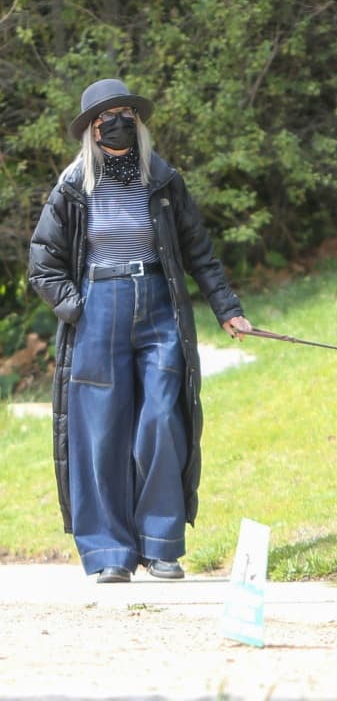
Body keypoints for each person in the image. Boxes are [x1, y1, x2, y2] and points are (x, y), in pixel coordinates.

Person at [28, 78, 252, 583]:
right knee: (100, 433)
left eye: (127, 111)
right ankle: (109, 554)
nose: (118, 120)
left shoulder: (163, 180)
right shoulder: (71, 186)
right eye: (108, 115)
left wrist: (227, 308)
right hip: (96, 310)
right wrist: (76, 308)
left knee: (161, 422)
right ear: (92, 128)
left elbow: (199, 251)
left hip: (158, 306)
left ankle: (161, 546)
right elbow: (43, 265)